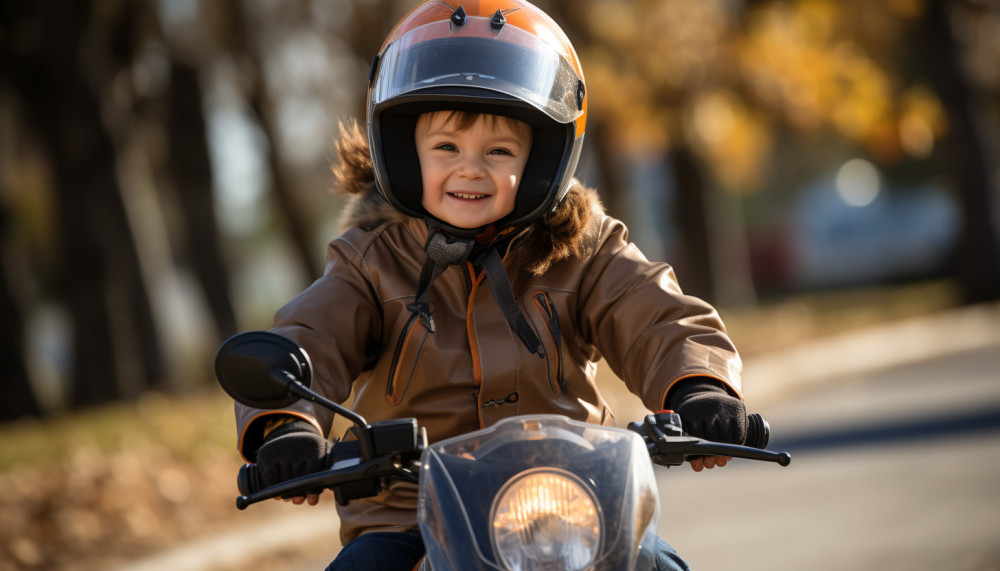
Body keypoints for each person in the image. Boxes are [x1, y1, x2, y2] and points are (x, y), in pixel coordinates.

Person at [231, 1, 747, 569]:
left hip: (574, 503)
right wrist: (287, 426)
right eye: (445, 148)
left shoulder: (585, 249)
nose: (470, 169)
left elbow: (656, 315)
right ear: (403, 156)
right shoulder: (369, 262)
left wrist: (698, 387)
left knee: (658, 564)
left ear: (542, 161)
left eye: (499, 151)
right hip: (410, 515)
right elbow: (312, 336)